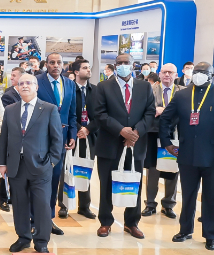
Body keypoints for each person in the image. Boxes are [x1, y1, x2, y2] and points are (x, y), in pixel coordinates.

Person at [159, 61, 214, 250]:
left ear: (212, 75)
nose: (199, 74)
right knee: (187, 196)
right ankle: (185, 230)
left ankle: (210, 235)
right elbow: (165, 118)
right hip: (187, 155)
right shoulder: (182, 95)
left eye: (203, 72)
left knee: (211, 197)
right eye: (197, 71)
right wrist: (167, 143)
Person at [92, 54, 156, 239]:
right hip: (109, 143)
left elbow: (150, 112)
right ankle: (105, 222)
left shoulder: (144, 87)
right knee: (106, 184)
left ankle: (132, 222)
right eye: (119, 63)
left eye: (126, 63)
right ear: (115, 66)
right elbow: (99, 114)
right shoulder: (103, 87)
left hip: (136, 143)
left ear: (132, 65)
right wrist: (121, 131)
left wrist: (135, 133)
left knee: (134, 183)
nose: (122, 66)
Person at [0, 74, 62, 253]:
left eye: (28, 83)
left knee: (42, 205)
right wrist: (2, 162)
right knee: (19, 203)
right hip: (16, 166)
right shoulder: (10, 109)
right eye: (21, 83)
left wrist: (52, 162)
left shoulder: (49, 109)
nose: (25, 86)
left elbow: (57, 138)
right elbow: (4, 138)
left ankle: (41, 241)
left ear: (36, 87)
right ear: (17, 87)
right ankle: (23, 237)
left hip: (41, 165)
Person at [35, 53, 75, 231]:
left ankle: (48, 219)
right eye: (52, 63)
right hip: (39, 139)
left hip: (61, 140)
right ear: (46, 65)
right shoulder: (37, 81)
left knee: (54, 179)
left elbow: (72, 113)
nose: (56, 65)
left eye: (59, 62)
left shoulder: (69, 84)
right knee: (38, 180)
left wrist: (72, 134)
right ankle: (34, 219)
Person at [141, 62, 182, 219]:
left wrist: (165, 110)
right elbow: (144, 109)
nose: (167, 75)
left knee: (173, 169)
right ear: (159, 74)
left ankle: (168, 205)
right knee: (153, 170)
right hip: (152, 133)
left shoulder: (182, 92)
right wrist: (154, 110)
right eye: (164, 72)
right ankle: (150, 204)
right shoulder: (150, 90)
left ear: (176, 75)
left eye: (171, 72)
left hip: (175, 135)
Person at [67, 58, 98, 219]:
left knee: (86, 169)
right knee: (67, 170)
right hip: (72, 134)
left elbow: (101, 114)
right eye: (85, 68)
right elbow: (66, 112)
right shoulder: (69, 89)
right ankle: (64, 205)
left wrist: (88, 129)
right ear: (76, 72)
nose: (88, 70)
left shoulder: (96, 90)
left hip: (91, 135)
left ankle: (84, 206)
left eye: (89, 67)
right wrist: (79, 128)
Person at [0, 66, 24, 212]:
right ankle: (3, 198)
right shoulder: (8, 94)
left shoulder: (27, 94)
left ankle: (14, 196)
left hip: (25, 141)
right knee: (6, 170)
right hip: (12, 137)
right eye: (11, 75)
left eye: (14, 75)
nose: (11, 78)